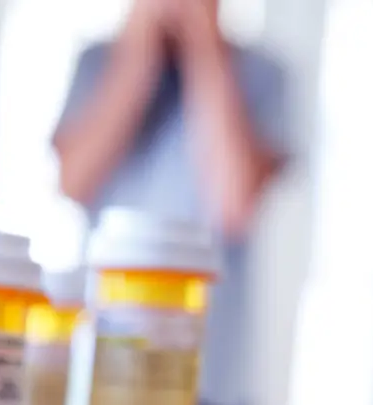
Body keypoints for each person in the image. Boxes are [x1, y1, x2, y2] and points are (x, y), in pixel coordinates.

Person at [51, 0, 288, 404]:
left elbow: (235, 202)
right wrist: (137, 53)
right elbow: (73, 182)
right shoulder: (97, 61)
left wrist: (205, 47)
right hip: (106, 352)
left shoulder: (264, 75)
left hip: (210, 369)